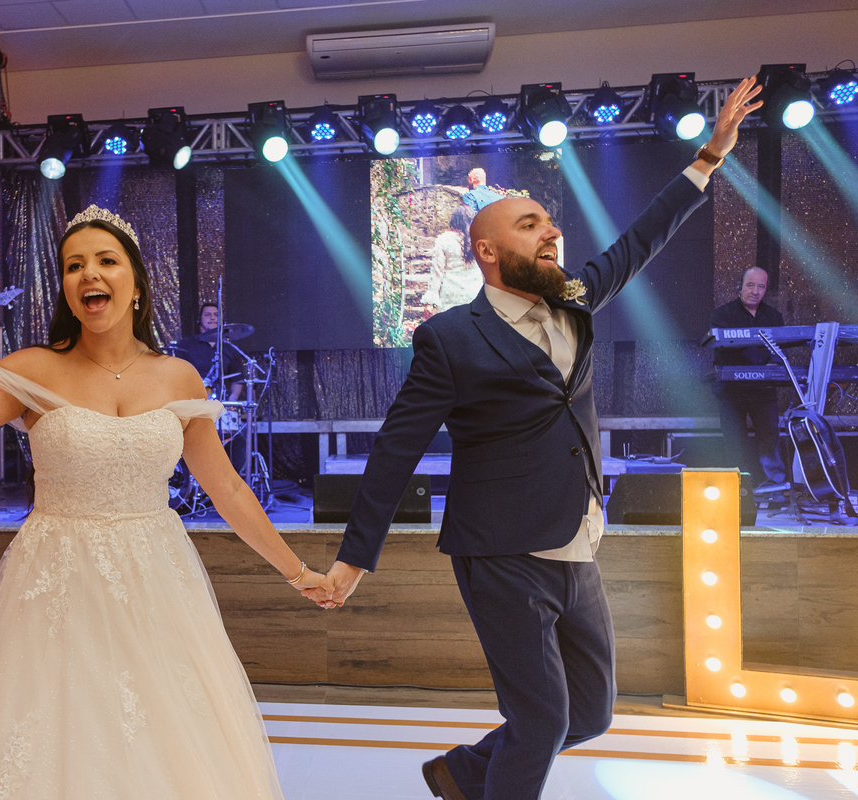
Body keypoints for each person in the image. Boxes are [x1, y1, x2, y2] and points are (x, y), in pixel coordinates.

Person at [307, 78, 764, 800]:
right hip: (501, 551)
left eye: (550, 222)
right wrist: (353, 559)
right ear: (486, 250)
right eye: (530, 224)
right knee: (543, 717)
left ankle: (462, 772)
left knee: (591, 712)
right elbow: (396, 447)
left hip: (576, 538)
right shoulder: (449, 338)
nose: (551, 231)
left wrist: (708, 157)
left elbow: (640, 241)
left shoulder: (573, 300)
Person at [0, 205, 332, 799]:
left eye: (105, 261)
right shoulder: (34, 370)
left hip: (156, 582)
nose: (88, 274)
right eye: (74, 266)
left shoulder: (178, 377)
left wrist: (298, 571)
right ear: (67, 291)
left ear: (137, 284)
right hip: (55, 583)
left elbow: (227, 488)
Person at [710, 266, 786, 489]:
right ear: (740, 286)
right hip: (732, 390)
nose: (755, 291)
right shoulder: (722, 315)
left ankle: (774, 487)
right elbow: (722, 349)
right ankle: (738, 487)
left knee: (770, 436)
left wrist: (774, 363)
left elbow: (781, 348)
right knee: (734, 440)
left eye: (761, 286)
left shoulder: (773, 317)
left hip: (763, 390)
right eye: (750, 285)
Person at [173, 303, 244, 402]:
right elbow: (175, 375)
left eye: (216, 315)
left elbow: (237, 379)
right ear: (199, 319)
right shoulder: (186, 344)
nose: (212, 318)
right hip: (191, 401)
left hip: (219, 402)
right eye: (207, 315)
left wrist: (233, 399)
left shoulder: (229, 348)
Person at [424, 203, 483, 312]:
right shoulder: (479, 240)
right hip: (474, 294)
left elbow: (437, 272)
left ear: (453, 220)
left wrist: (431, 301)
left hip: (450, 296)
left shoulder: (443, 239)